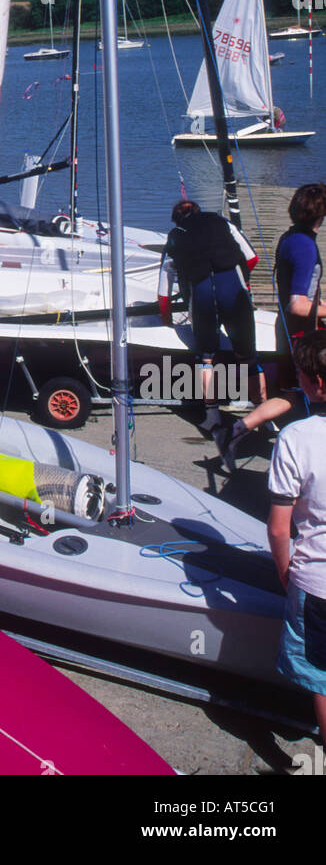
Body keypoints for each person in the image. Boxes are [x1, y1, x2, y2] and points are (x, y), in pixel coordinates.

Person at [216, 183, 326, 470]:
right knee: (305, 393)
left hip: (291, 329)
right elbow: (297, 304)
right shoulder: (304, 246)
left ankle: (236, 430)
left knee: (295, 393)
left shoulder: (292, 237)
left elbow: (305, 291)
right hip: (300, 333)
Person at [157, 199, 261, 435]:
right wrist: (244, 283)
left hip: (202, 294)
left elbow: (164, 290)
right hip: (234, 292)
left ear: (176, 218)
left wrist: (166, 321)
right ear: (198, 211)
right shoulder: (221, 222)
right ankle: (262, 416)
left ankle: (212, 417)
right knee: (248, 357)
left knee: (206, 359)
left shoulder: (174, 236)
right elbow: (252, 258)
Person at [267, 329, 326, 741]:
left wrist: (286, 571)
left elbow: (278, 527)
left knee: (323, 677)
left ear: (314, 384)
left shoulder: (296, 438)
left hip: (318, 582)